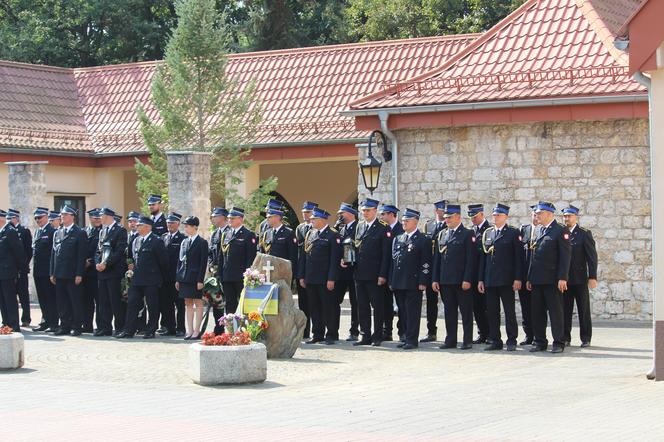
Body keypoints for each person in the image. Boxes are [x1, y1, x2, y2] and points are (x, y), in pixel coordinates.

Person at [526, 201, 571, 354]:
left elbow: (565, 256)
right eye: (536, 213)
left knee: (556, 312)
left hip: (553, 280)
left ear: (549, 214)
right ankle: (539, 341)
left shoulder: (560, 230)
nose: (537, 215)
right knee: (537, 312)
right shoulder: (538, 230)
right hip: (537, 279)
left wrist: (563, 277)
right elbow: (533, 256)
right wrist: (529, 278)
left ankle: (558, 342)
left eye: (540, 213)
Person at [477, 204, 522, 351]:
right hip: (490, 279)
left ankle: (511, 340)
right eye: (494, 215)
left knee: (509, 311)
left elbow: (518, 258)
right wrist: (481, 279)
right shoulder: (488, 233)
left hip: (506, 280)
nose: (495, 217)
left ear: (505, 217)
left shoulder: (513, 233)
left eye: (499, 215)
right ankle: (495, 340)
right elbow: (483, 259)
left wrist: (517, 278)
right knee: (492, 312)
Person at [432, 204, 477, 350]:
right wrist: (435, 279)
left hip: (461, 280)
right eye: (445, 218)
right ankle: (450, 339)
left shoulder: (467, 234)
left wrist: (467, 279)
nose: (447, 220)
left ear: (458, 216)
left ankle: (467, 340)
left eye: (450, 217)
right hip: (446, 280)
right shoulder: (442, 234)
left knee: (465, 312)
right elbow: (437, 260)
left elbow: (471, 259)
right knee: (449, 311)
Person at [116, 216, 167, 339]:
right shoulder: (136, 240)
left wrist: (159, 277)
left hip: (151, 279)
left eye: (140, 225)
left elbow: (164, 262)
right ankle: (129, 330)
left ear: (148, 227)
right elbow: (132, 257)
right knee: (132, 304)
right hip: (137, 279)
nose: (137, 227)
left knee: (152, 305)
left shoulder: (156, 241)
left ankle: (150, 330)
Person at [298, 207, 341, 345]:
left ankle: (331, 334)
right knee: (314, 307)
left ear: (322, 220)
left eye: (314, 219)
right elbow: (305, 257)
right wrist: (302, 276)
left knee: (328, 307)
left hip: (325, 278)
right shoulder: (310, 234)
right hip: (311, 277)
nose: (311, 221)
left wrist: (331, 278)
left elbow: (335, 260)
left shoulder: (333, 235)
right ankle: (317, 333)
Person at [390, 209, 431, 350]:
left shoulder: (423, 239)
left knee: (412, 312)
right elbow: (393, 261)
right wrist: (391, 280)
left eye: (407, 220)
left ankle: (412, 340)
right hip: (399, 281)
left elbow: (425, 263)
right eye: (403, 220)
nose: (404, 222)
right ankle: (406, 336)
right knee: (402, 312)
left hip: (413, 282)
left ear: (416, 221)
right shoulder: (398, 238)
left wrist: (423, 281)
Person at [353, 198, 392, 347]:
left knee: (378, 306)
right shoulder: (360, 226)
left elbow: (386, 254)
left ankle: (377, 335)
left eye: (368, 210)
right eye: (363, 210)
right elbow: (357, 248)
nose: (365, 213)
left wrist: (383, 275)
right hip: (360, 273)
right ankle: (365, 335)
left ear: (375, 211)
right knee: (362, 306)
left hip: (375, 275)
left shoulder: (383, 228)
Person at [561, 205, 598, 347]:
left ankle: (586, 337)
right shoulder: (561, 232)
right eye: (565, 216)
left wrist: (592, 276)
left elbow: (592, 257)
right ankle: (565, 337)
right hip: (565, 279)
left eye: (569, 216)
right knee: (565, 309)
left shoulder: (584, 233)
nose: (567, 219)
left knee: (583, 309)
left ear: (576, 217)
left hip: (580, 278)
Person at [50, 205, 88, 336]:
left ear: (72, 217)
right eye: (61, 215)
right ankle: (64, 325)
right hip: (59, 273)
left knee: (75, 301)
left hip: (72, 273)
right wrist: (52, 272)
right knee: (62, 302)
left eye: (65, 215)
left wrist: (79, 273)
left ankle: (76, 326)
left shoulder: (79, 232)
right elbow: (54, 254)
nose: (62, 217)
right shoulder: (58, 232)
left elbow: (81, 255)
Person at [94, 207, 128, 337]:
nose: (99, 218)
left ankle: (119, 327)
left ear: (108, 216)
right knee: (103, 302)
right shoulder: (102, 231)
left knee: (115, 301)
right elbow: (98, 250)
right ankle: (105, 327)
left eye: (101, 216)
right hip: (102, 272)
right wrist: (98, 262)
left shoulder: (120, 231)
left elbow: (119, 251)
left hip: (114, 271)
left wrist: (106, 263)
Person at [176, 216, 209, 340]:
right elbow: (180, 261)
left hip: (195, 278)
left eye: (187, 226)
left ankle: (196, 330)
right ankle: (189, 330)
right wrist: (178, 278)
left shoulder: (202, 242)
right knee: (188, 303)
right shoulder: (184, 242)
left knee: (198, 303)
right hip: (184, 277)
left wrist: (200, 280)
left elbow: (203, 263)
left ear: (195, 227)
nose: (186, 228)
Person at [220, 207, 257, 315]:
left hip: (241, 276)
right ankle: (231, 328)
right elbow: (221, 256)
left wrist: (248, 276)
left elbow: (250, 258)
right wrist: (220, 275)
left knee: (243, 304)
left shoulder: (248, 235)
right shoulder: (226, 234)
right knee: (229, 304)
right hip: (227, 276)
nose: (230, 220)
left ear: (241, 219)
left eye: (233, 218)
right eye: (229, 218)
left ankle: (243, 330)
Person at [420, 200, 447, 342]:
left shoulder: (449, 225)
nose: (443, 213)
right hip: (430, 269)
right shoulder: (428, 225)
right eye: (441, 210)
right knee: (431, 302)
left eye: (444, 210)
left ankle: (451, 333)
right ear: (436, 210)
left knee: (449, 302)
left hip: (444, 268)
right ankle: (431, 331)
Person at [379, 204, 404, 341]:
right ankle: (386, 331)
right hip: (385, 272)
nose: (381, 217)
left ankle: (403, 332)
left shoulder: (401, 229)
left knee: (401, 304)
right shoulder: (383, 229)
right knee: (385, 304)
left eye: (383, 214)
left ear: (391, 214)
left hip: (398, 272)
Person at [159, 212, 186, 337]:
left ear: (178, 224)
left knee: (179, 304)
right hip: (164, 277)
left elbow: (182, 260)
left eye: (172, 223)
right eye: (168, 223)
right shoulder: (163, 237)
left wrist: (179, 277)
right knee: (166, 303)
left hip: (176, 276)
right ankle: (170, 327)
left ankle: (181, 328)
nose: (169, 225)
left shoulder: (182, 239)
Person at [467, 203, 491, 344]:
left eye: (475, 217)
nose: (473, 219)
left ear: (482, 214)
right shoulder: (471, 231)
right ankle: (482, 333)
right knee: (477, 307)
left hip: (486, 275)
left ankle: (490, 334)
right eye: (471, 217)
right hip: (474, 275)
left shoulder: (489, 230)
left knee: (488, 307)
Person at [32, 207, 58, 332]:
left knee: (50, 298)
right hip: (38, 270)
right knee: (42, 298)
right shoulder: (38, 232)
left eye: (40, 217)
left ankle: (53, 322)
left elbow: (53, 254)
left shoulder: (51, 231)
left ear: (47, 217)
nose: (38, 220)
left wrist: (52, 272)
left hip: (47, 270)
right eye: (36, 218)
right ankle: (45, 320)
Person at [0, 210, 26, 332]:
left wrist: (21, 270)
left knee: (9, 298)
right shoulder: (1, 232)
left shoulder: (10, 232)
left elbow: (19, 252)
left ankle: (14, 325)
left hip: (8, 272)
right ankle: (6, 323)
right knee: (2, 299)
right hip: (1, 272)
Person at [295, 201, 318, 339]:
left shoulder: (317, 229)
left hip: (314, 271)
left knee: (314, 304)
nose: (305, 215)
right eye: (304, 212)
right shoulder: (300, 228)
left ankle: (317, 331)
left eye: (308, 212)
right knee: (303, 304)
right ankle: (305, 331)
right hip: (302, 270)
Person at [337, 202, 359, 341]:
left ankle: (354, 331)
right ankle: (333, 331)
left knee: (355, 302)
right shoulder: (340, 229)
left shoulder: (358, 228)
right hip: (342, 271)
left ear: (350, 214)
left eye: (342, 214)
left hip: (355, 270)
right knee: (335, 300)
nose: (340, 216)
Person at [7, 209, 32, 327]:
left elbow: (28, 251)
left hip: (21, 269)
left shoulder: (24, 231)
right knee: (11, 294)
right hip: (10, 270)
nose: (9, 220)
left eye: (10, 218)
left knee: (23, 295)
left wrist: (23, 266)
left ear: (16, 218)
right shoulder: (6, 231)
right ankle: (10, 319)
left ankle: (26, 318)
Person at [518, 205, 538, 345]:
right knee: (526, 307)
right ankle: (528, 335)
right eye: (534, 215)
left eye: (538, 215)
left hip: (538, 277)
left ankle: (538, 335)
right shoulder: (524, 230)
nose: (536, 218)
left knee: (538, 308)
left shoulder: (543, 230)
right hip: (524, 275)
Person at [208, 207, 230, 334]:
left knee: (230, 301)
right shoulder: (214, 234)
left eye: (215, 216)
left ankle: (231, 327)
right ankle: (219, 328)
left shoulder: (229, 231)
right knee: (216, 302)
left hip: (227, 272)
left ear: (223, 217)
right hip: (216, 273)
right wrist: (211, 264)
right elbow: (211, 252)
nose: (213, 219)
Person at [82, 208, 102, 333]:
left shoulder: (102, 232)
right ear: (90, 218)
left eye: (99, 218)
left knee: (100, 301)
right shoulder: (84, 231)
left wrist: (92, 262)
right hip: (85, 272)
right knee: (86, 301)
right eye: (95, 218)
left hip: (97, 271)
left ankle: (100, 326)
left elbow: (100, 251)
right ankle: (87, 325)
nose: (98, 220)